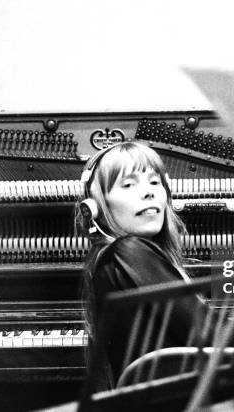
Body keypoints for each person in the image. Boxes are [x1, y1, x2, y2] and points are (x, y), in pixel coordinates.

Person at [76, 141, 204, 389]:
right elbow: (217, 337)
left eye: (155, 182)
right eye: (128, 184)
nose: (149, 192)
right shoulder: (128, 251)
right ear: (95, 207)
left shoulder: (111, 258)